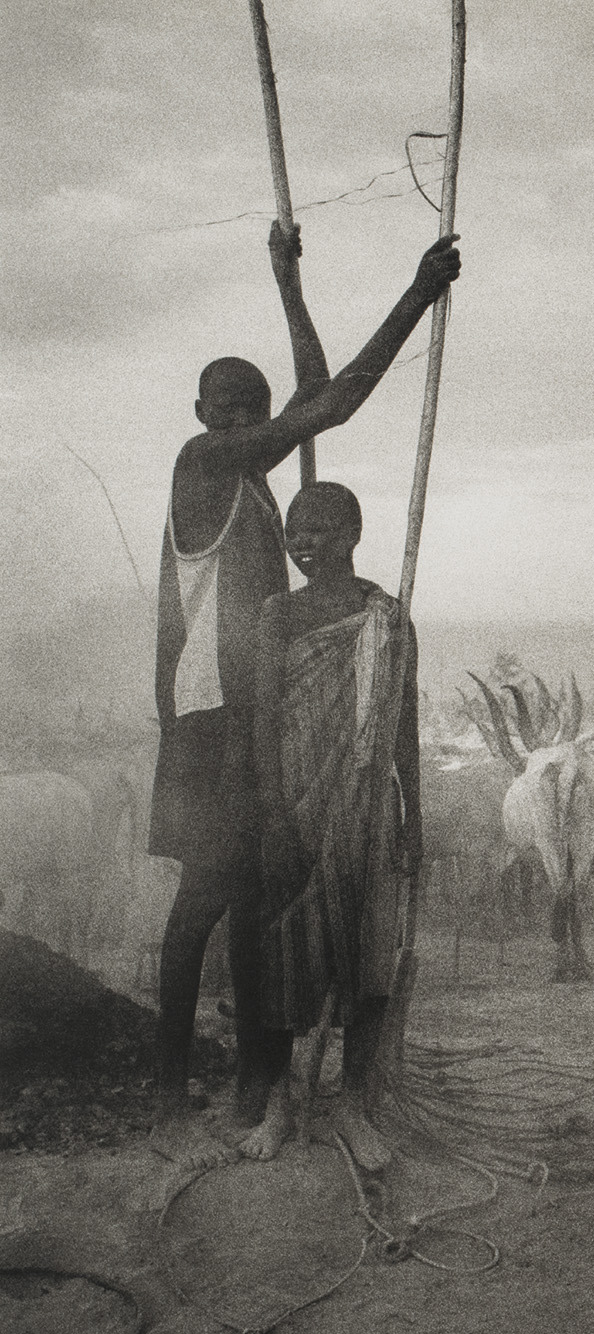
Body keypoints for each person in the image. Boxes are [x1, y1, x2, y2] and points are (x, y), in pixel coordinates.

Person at [146, 223, 459, 1170]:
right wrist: (416, 292)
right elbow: (337, 403)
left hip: (245, 712)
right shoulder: (205, 463)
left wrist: (288, 282)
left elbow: (317, 397)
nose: (239, 416)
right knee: (212, 901)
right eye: (226, 404)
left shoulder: (247, 472)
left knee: (250, 899)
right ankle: (192, 1089)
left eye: (253, 407)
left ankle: (259, 1085)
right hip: (210, 720)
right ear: (201, 409)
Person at [243, 481, 419, 1169]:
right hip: (297, 800)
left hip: (369, 803)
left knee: (366, 949)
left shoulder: (388, 615)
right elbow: (262, 721)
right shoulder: (278, 615)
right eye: (294, 529)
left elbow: (402, 720)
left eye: (318, 528)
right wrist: (273, 815)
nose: (303, 541)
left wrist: (413, 815)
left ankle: (352, 1103)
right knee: (289, 949)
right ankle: (284, 1102)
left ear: (354, 532)